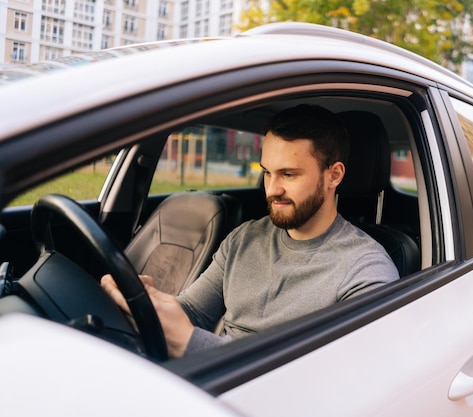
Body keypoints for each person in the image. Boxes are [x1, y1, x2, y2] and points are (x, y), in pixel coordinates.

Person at [101, 104, 399, 358]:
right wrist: (150, 304)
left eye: (289, 174)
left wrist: (189, 343)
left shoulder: (365, 271)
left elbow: (322, 382)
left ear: (333, 175)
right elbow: (194, 311)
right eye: (267, 172)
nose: (272, 189)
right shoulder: (244, 238)